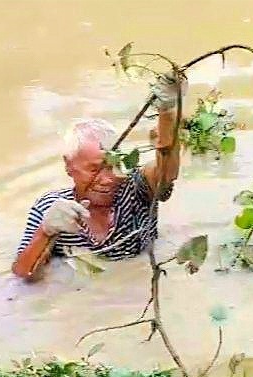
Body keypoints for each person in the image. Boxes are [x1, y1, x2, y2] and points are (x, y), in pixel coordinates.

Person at [12, 73, 186, 281]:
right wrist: (46, 232)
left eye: (113, 166)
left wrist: (166, 112)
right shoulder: (51, 207)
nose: (107, 178)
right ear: (69, 166)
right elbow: (24, 274)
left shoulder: (134, 190)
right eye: (95, 169)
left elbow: (166, 172)